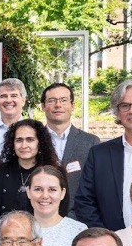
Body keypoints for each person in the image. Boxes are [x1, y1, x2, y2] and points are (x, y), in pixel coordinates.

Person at [73, 78, 132, 230]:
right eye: (124, 106)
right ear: (117, 113)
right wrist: (106, 237)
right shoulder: (99, 154)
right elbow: (84, 201)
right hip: (111, 244)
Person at [0, 119, 63, 246]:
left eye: (30, 140)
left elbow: (62, 210)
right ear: (12, 143)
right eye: (19, 140)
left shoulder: (54, 171)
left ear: (40, 143)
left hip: (44, 245)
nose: (24, 145)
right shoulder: (1, 171)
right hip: (6, 244)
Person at [41, 82, 100, 214]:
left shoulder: (91, 142)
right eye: (52, 100)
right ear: (43, 106)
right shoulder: (33, 142)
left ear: (72, 105)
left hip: (81, 220)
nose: (58, 105)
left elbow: (97, 188)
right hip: (40, 220)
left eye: (63, 100)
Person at [24, 166, 87, 246]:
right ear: (28, 192)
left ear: (62, 193)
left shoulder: (78, 231)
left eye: (52, 189)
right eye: (38, 189)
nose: (45, 196)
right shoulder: (14, 229)